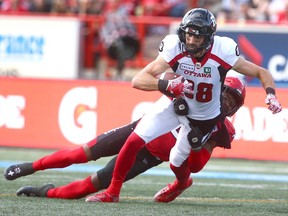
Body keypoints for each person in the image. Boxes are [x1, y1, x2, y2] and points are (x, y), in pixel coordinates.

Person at [89, 7, 282, 203]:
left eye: (197, 37)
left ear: (209, 38)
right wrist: (167, 85)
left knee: (176, 161)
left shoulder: (223, 51)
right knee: (134, 139)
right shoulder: (175, 46)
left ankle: (181, 183)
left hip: (203, 116)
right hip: (178, 103)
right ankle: (112, 191)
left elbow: (261, 72)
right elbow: (138, 80)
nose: (191, 41)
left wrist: (271, 95)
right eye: (189, 35)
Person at [5, 76, 244, 201]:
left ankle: (46, 192)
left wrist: (195, 143)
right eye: (226, 95)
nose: (227, 103)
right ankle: (29, 167)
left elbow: (197, 165)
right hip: (137, 130)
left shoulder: (221, 129)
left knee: (95, 183)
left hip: (149, 155)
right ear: (215, 88)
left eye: (233, 102)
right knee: (83, 153)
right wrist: (174, 91)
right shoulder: (193, 90)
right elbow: (166, 80)